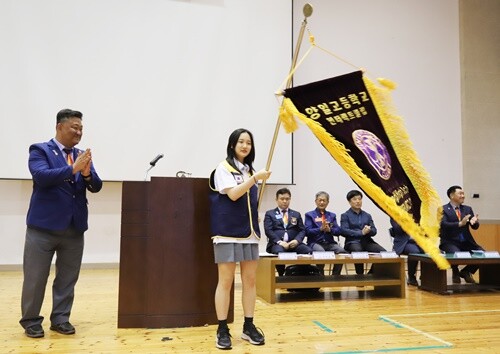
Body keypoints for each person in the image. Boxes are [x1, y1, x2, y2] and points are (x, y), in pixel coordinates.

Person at [20, 109, 103, 338]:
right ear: (59, 127)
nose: (78, 132)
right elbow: (42, 176)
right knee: (36, 278)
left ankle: (60, 318)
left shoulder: (80, 154)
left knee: (67, 278)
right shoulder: (40, 150)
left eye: (81, 129)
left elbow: (96, 185)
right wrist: (73, 169)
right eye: (74, 127)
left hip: (74, 228)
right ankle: (31, 321)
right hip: (43, 228)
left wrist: (86, 174)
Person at [208, 128, 271, 350]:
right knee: (226, 281)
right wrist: (254, 179)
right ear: (232, 144)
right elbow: (233, 194)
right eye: (241, 142)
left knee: (250, 281)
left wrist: (253, 179)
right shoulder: (223, 168)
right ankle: (222, 328)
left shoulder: (249, 170)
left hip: (250, 233)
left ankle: (248, 326)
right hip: (226, 232)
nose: (245, 146)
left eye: (249, 143)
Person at [439, 185, 482, 284]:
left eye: (463, 194)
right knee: (456, 254)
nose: (463, 196)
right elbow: (443, 224)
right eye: (460, 193)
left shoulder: (467, 209)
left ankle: (466, 271)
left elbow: (475, 227)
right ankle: (455, 272)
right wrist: (460, 224)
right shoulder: (443, 209)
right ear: (452, 195)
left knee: (482, 254)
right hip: (449, 242)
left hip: (466, 241)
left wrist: (474, 222)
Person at [264, 188, 312, 276]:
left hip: (294, 243)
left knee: (307, 250)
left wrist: (297, 240)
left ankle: (301, 274)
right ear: (276, 200)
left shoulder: (296, 214)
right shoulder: (270, 213)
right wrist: (280, 242)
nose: (285, 201)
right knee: (280, 252)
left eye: (287, 199)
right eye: (282, 199)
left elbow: (302, 230)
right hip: (277, 244)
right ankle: (281, 276)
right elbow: (268, 230)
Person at [340, 190, 386, 274]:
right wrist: (361, 233)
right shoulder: (345, 215)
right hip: (352, 242)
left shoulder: (367, 215)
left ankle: (370, 274)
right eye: (354, 199)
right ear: (349, 202)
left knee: (384, 253)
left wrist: (369, 230)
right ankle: (360, 276)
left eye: (359, 199)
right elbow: (344, 231)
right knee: (358, 252)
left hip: (367, 242)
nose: (358, 201)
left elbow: (374, 231)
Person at [304, 191, 347, 275]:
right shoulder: (309, 215)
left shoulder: (332, 215)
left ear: (328, 202)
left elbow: (338, 231)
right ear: (316, 201)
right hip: (315, 243)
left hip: (329, 243)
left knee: (342, 251)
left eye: (324, 200)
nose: (322, 202)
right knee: (321, 253)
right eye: (320, 200)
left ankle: (335, 276)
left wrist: (330, 230)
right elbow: (307, 231)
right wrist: (320, 229)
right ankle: (320, 275)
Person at [390, 218, 424, 286]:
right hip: (405, 242)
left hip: (419, 241)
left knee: (431, 251)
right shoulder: (394, 214)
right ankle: (411, 277)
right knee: (415, 252)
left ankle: (425, 276)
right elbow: (398, 229)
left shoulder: (416, 213)